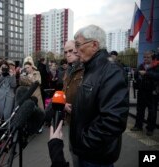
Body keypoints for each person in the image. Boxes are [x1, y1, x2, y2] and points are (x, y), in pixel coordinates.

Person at [70, 25, 129, 167]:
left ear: (94, 45)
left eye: (78, 45)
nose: (76, 51)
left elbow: (114, 119)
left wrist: (84, 141)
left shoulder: (111, 71)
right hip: (86, 153)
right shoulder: (91, 68)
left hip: (96, 157)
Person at [130, 50, 159, 136]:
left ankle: (150, 129)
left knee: (152, 111)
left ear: (152, 57)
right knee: (140, 110)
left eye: (148, 57)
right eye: (144, 57)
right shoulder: (141, 66)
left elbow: (157, 76)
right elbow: (136, 76)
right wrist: (135, 74)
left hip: (152, 92)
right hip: (142, 91)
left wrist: (146, 73)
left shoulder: (156, 65)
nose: (145, 58)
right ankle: (138, 126)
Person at [63, 40, 84, 122]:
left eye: (71, 51)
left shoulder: (86, 69)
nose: (68, 54)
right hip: (70, 118)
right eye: (66, 52)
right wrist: (63, 104)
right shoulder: (68, 70)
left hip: (83, 119)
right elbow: (64, 89)